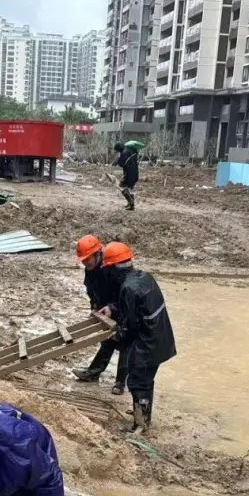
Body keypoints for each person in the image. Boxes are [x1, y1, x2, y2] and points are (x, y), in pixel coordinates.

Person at [102, 242, 176, 433]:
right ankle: (142, 412)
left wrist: (118, 335)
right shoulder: (144, 277)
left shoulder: (128, 288)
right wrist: (113, 309)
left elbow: (131, 325)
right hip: (161, 338)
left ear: (113, 268)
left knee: (138, 381)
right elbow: (138, 307)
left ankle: (141, 424)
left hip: (147, 343)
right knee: (146, 379)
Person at [71, 234, 128, 394]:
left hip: (123, 308)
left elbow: (126, 295)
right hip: (106, 308)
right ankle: (94, 372)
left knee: (125, 342)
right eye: (83, 260)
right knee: (107, 340)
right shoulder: (90, 270)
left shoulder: (112, 269)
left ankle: (120, 383)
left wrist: (113, 308)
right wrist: (94, 307)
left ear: (97, 254)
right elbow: (92, 291)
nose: (85, 262)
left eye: (87, 259)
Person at [113, 142, 139, 211]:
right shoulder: (132, 152)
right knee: (130, 188)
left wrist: (118, 158)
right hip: (135, 173)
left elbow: (121, 163)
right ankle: (130, 204)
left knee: (122, 187)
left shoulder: (124, 153)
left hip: (129, 174)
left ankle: (131, 204)